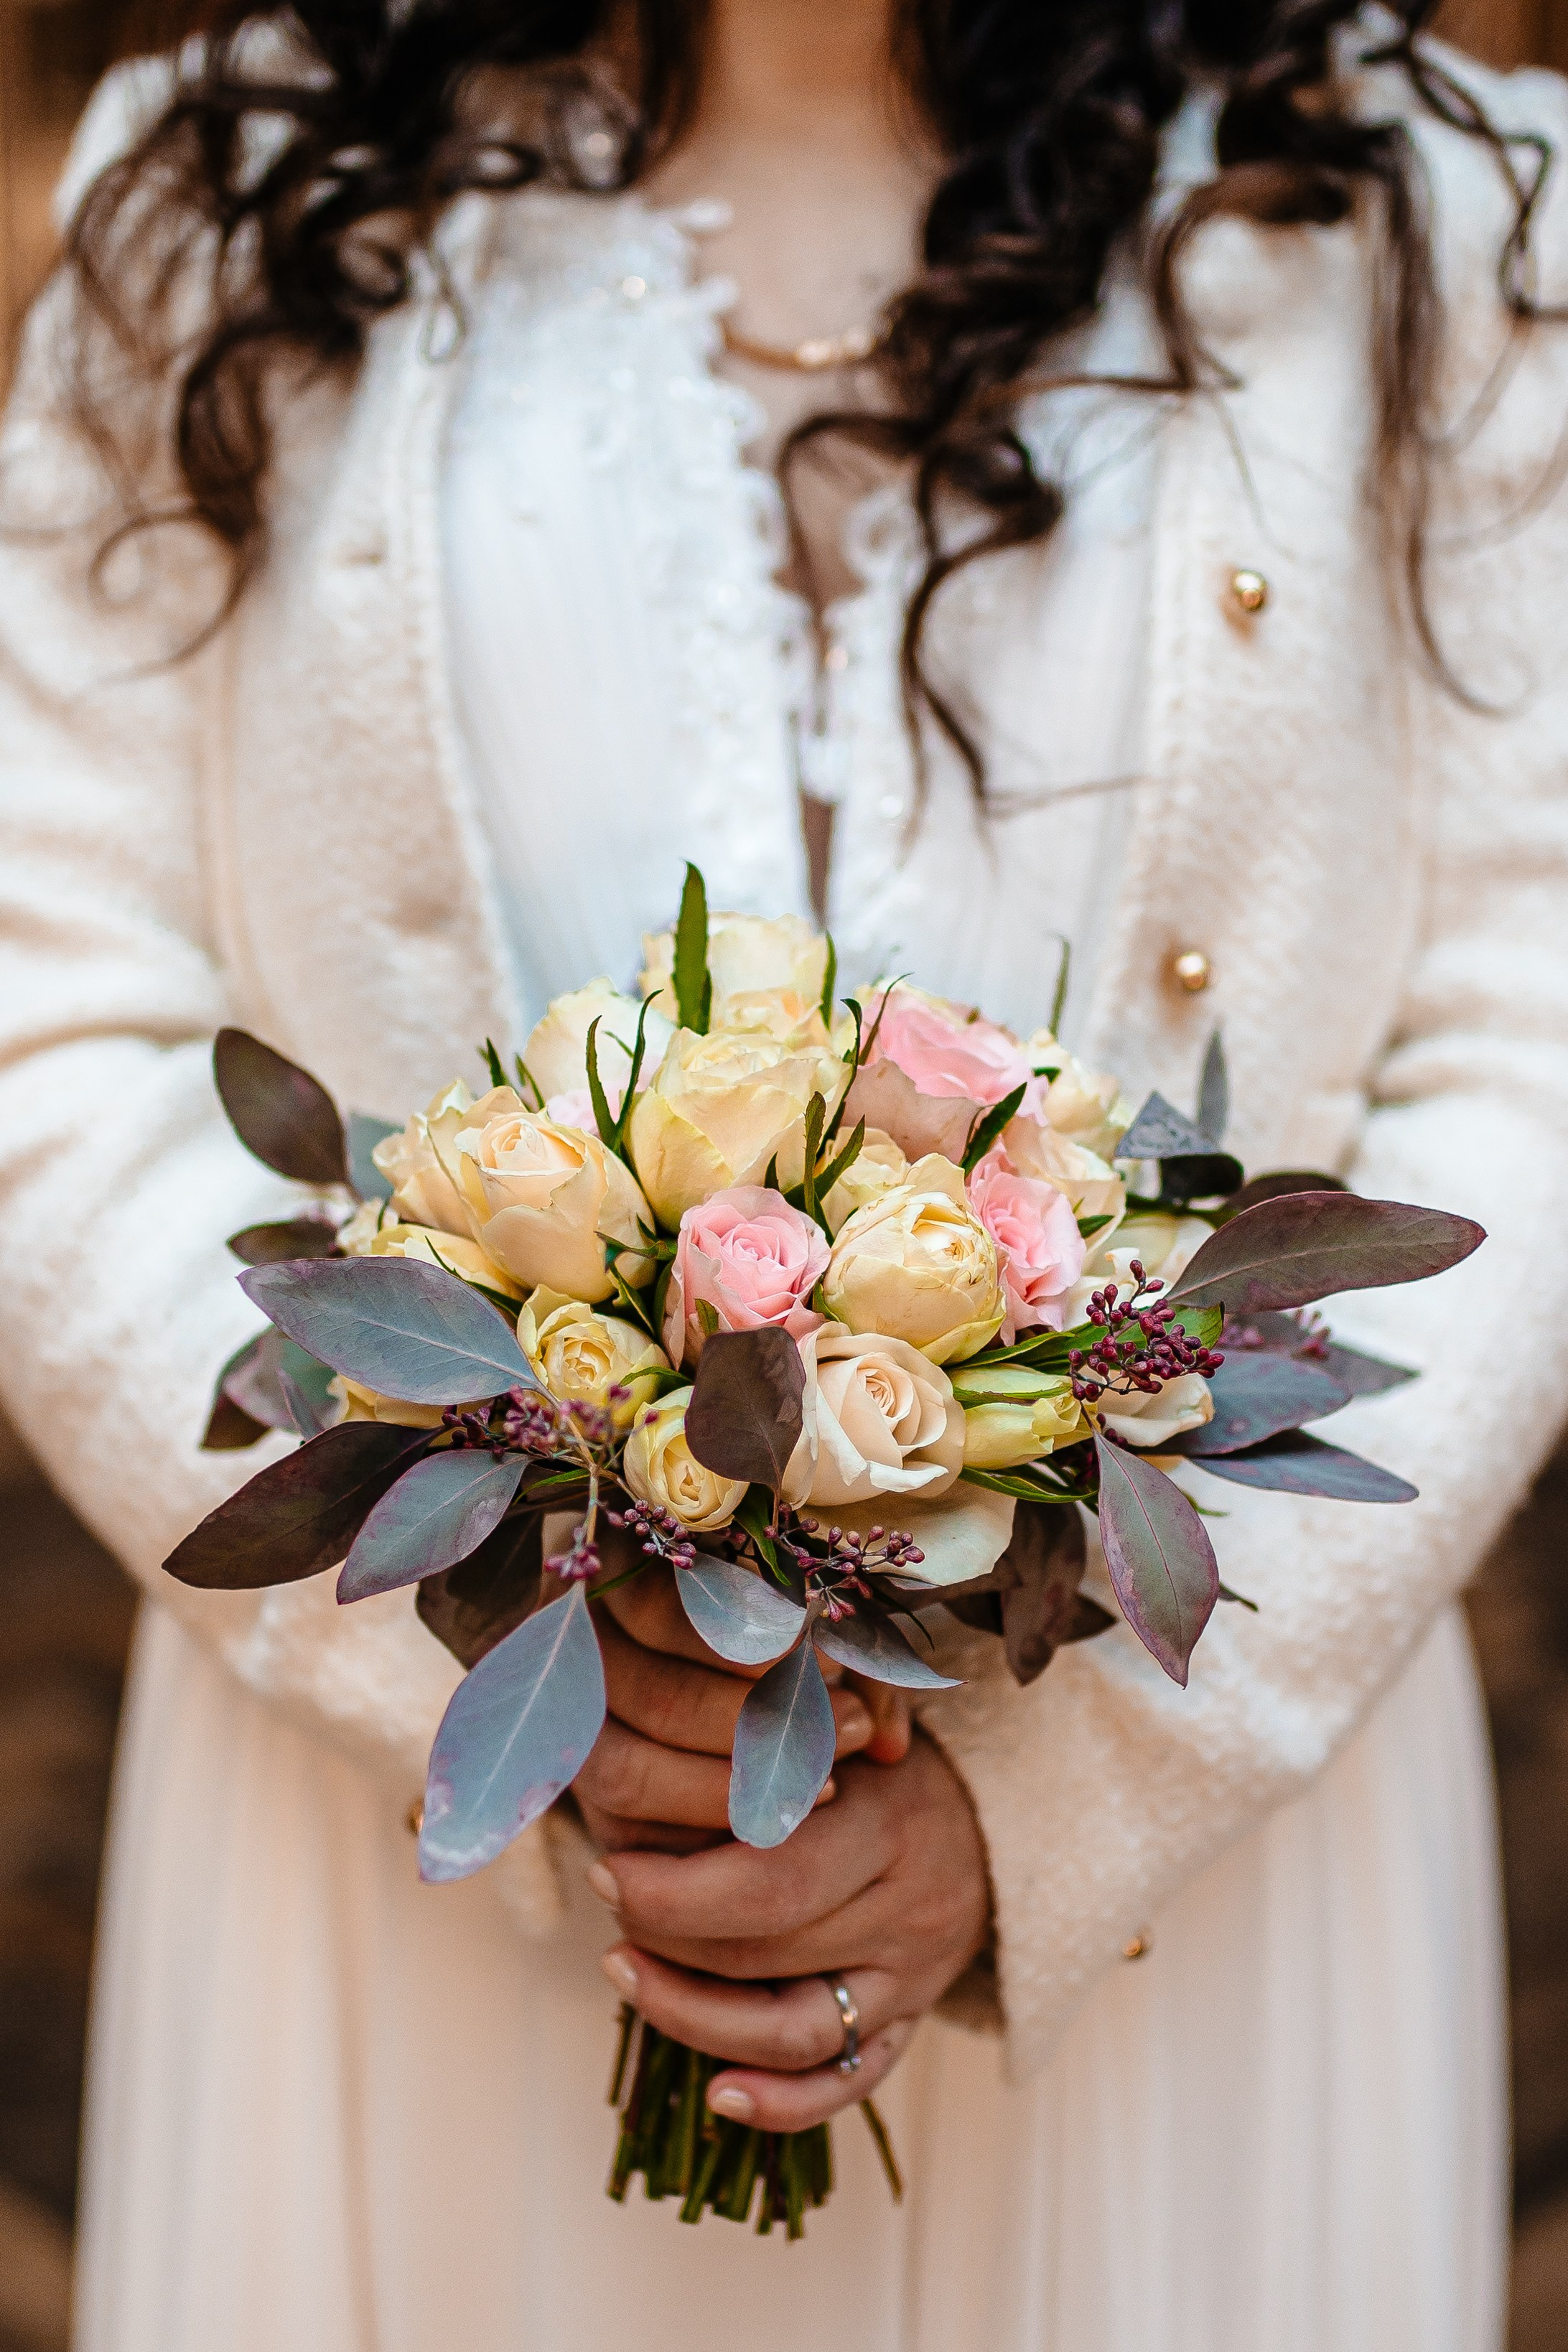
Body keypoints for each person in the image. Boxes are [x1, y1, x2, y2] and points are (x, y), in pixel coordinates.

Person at [1, 2, 1566, 2346]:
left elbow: (1531, 1038)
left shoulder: (1438, 215)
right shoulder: (224, 194)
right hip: (420, 1879)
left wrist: (1061, 1803)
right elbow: (45, 1008)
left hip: (1188, 1890)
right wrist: (526, 1699)